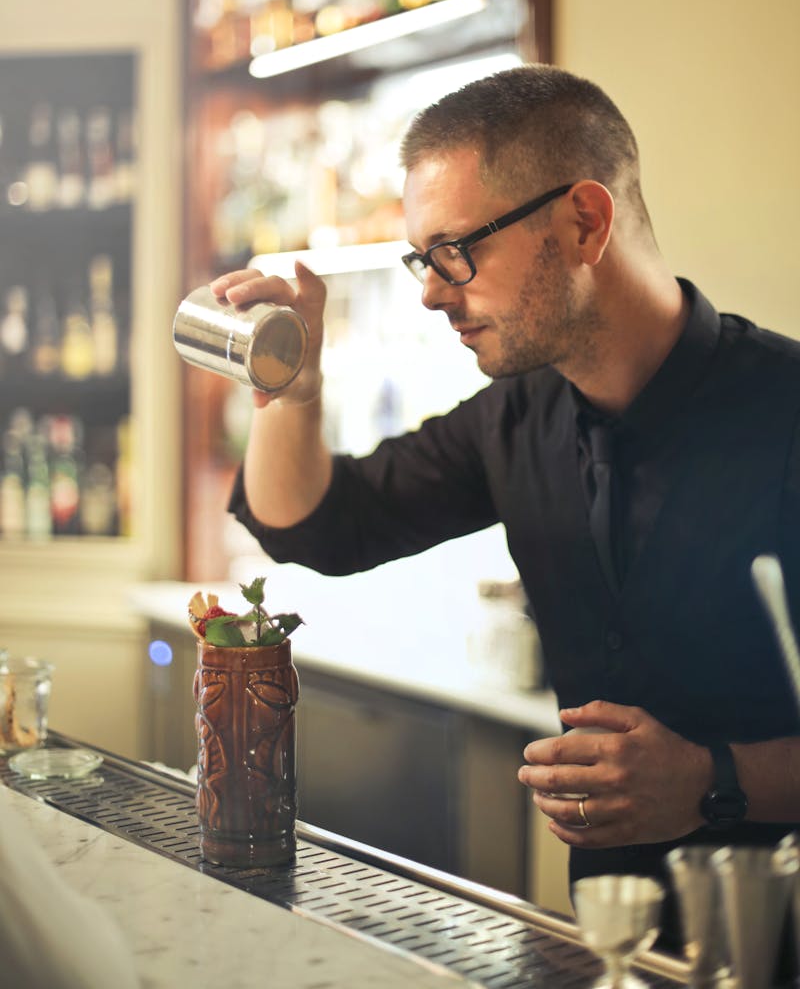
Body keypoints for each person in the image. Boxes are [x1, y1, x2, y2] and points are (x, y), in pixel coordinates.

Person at [213, 64, 800, 947]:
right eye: (424, 256)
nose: (432, 291)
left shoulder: (784, 414)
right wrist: (294, 393)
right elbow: (317, 527)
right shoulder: (515, 418)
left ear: (584, 223)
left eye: (457, 249)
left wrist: (712, 778)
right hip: (611, 942)